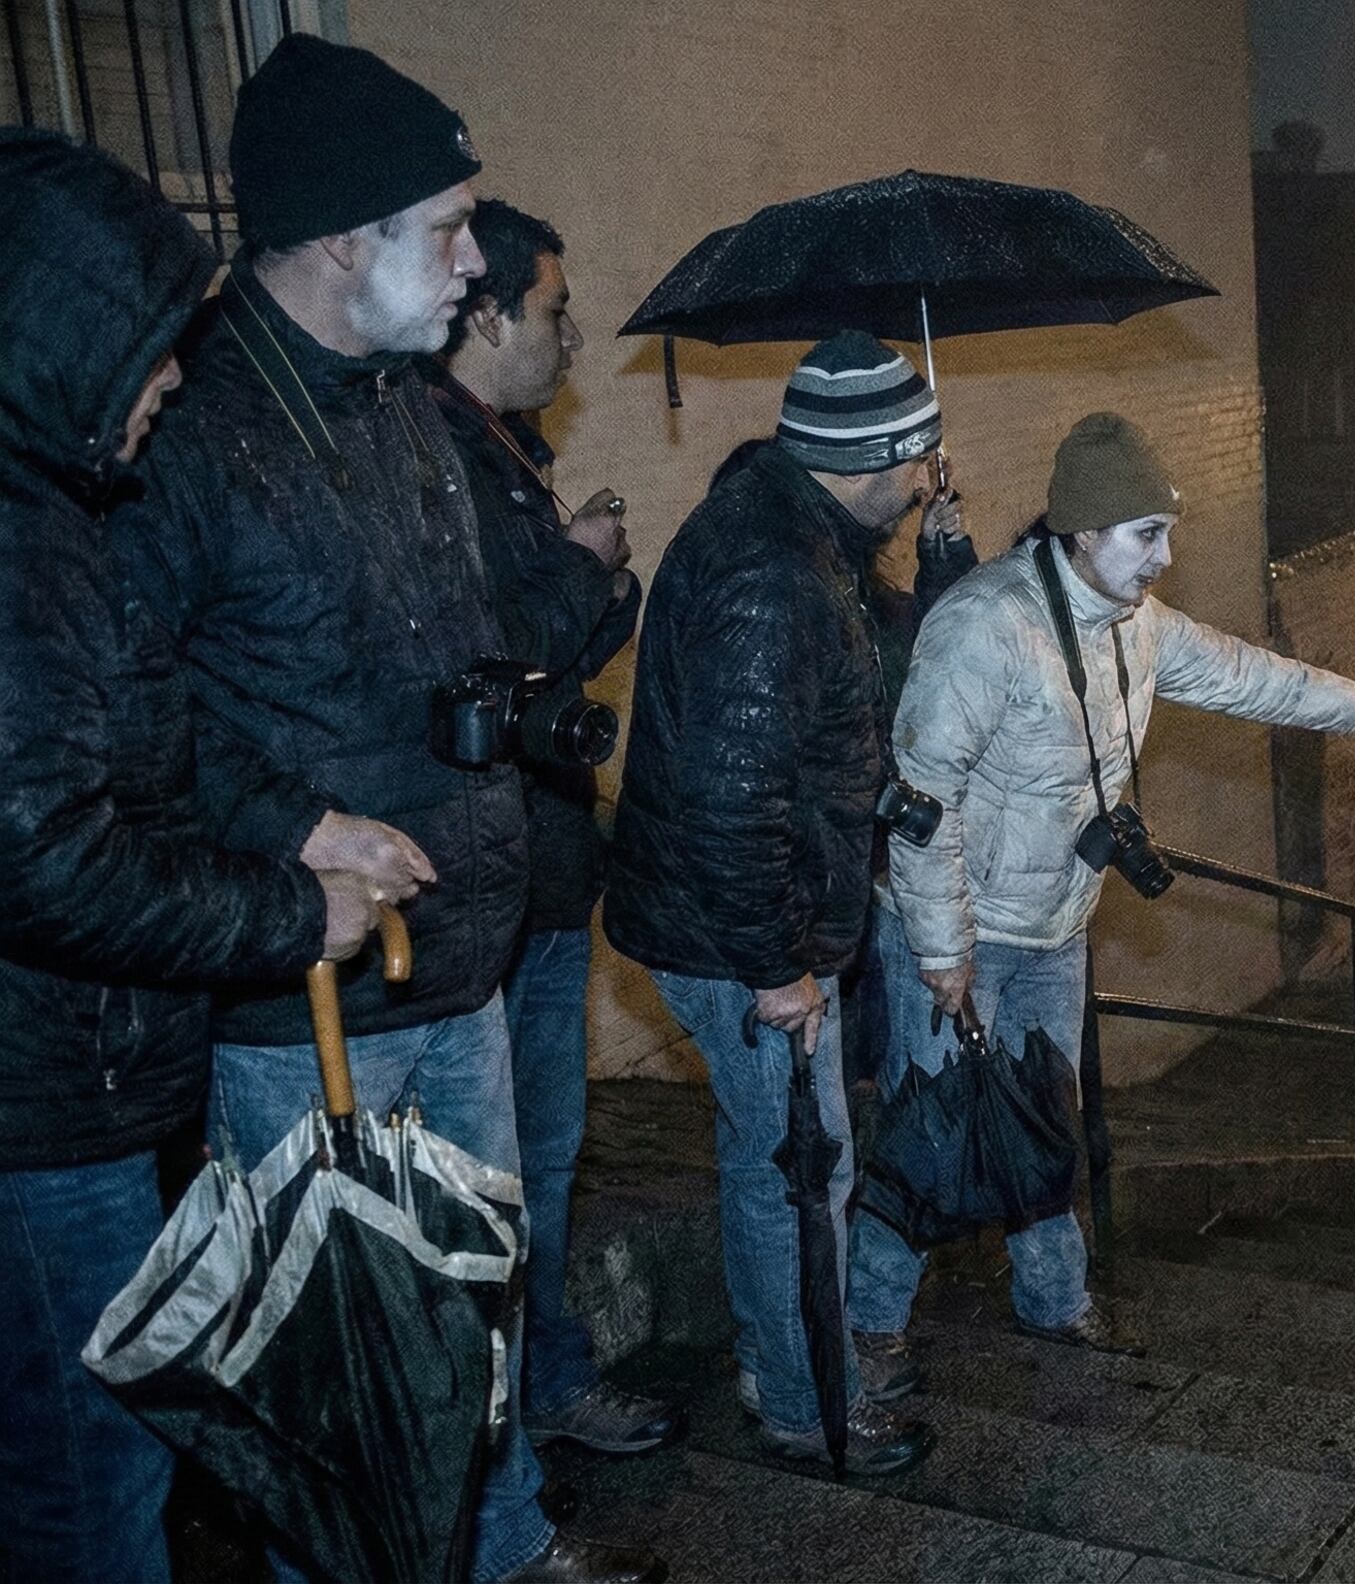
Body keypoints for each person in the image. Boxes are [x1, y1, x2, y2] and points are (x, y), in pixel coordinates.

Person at [112, 36, 658, 1584]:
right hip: (307, 1009)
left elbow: (471, 629)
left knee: (468, 1313)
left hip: (459, 960)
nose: (477, 261)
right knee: (345, 1367)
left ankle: (500, 1550)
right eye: (446, 227)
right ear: (344, 241)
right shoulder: (195, 436)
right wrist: (289, 826)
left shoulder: (409, 407)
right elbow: (124, 709)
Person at [0, 128, 389, 1584]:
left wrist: (305, 823)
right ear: (68, 338)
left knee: (108, 1460)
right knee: (84, 1480)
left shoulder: (61, 513)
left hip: (85, 1091)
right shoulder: (17, 543)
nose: (176, 378)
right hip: (38, 1116)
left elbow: (149, 728)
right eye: (158, 346)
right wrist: (290, 910)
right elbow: (37, 856)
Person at [861, 412, 1355, 1361]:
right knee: (928, 1137)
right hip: (957, 930)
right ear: (1083, 531)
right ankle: (870, 1330)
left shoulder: (1136, 625)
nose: (1165, 557)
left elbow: (1244, 674)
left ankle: (1054, 1301)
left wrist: (1352, 706)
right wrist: (939, 948)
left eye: (1166, 533)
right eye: (1147, 535)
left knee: (1047, 1120)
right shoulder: (984, 624)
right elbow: (920, 799)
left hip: (1057, 923)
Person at [604, 331, 947, 1476]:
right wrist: (776, 970)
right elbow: (729, 799)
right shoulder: (775, 575)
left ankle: (791, 1360)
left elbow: (793, 741)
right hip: (743, 934)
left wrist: (880, 799)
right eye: (922, 450)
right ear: (874, 457)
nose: (933, 473)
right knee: (800, 1172)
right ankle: (807, 1403)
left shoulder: (796, 532)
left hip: (743, 912)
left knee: (783, 1160)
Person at [431, 198, 677, 1457]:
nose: (569, 336)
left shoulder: (499, 447)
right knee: (507, 1168)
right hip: (497, 886)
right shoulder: (444, 455)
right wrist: (585, 566)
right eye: (554, 309)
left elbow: (557, 661)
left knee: (546, 1155)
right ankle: (512, 1431)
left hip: (538, 872)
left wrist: (596, 578)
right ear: (485, 314)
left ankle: (543, 1396)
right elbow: (499, 659)